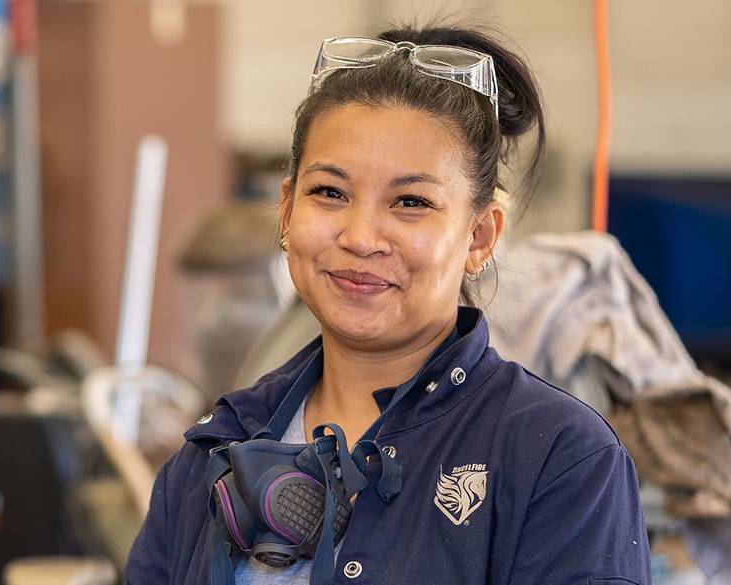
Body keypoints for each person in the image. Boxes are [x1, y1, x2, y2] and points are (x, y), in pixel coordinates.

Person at [125, 25, 650, 585]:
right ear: (286, 211)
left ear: (479, 238)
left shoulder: (558, 459)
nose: (360, 236)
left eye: (410, 202)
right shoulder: (210, 451)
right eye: (330, 192)